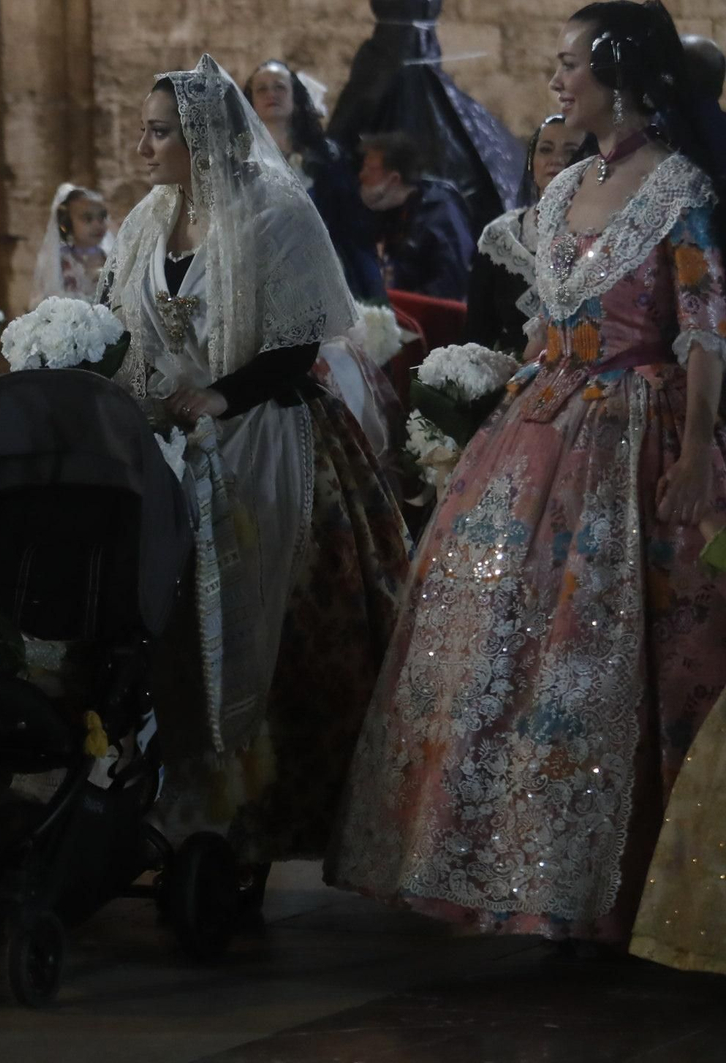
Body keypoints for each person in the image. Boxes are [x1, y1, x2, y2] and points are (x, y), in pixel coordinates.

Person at [328, 0, 726, 952]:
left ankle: (617, 883)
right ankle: (497, 863)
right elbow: (542, 326)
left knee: (609, 647)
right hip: (540, 425)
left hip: (638, 431)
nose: (556, 80)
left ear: (619, 74)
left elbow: (706, 326)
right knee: (492, 630)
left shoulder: (678, 188)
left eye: (570, 63)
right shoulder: (557, 191)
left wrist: (702, 445)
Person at [104, 55, 408, 879]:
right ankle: (177, 801)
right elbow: (117, 324)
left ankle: (253, 815)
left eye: (159, 131)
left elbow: (298, 341)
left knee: (265, 623)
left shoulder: (277, 214)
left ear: (204, 137)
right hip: (165, 450)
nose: (144, 146)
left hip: (265, 439)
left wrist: (220, 397)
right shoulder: (144, 221)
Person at [244, 58, 383, 299]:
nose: (271, 94)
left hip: (321, 271)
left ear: (295, 98)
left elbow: (348, 221)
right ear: (252, 102)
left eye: (279, 87)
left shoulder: (325, 156)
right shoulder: (240, 160)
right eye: (262, 89)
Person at [464, 115, 586, 352]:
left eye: (571, 151)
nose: (556, 160)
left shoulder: (603, 236)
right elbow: (477, 333)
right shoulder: (501, 237)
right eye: (545, 150)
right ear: (531, 162)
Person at [358, 131, 478, 300]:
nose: (361, 175)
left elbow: (451, 284)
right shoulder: (390, 209)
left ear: (394, 179)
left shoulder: (441, 215)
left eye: (369, 169)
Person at [28, 183, 114, 304]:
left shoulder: (112, 258)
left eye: (102, 217)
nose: (97, 225)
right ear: (66, 223)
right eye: (87, 219)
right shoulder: (58, 261)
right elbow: (47, 299)